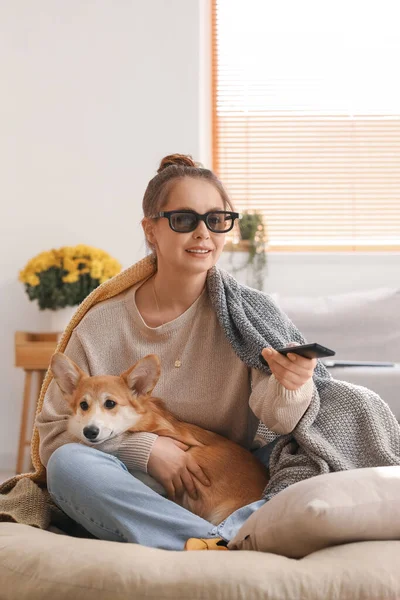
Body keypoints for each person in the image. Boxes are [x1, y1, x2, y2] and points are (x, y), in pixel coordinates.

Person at [37, 154, 317, 551]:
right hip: (132, 478)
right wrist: (145, 449)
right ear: (151, 231)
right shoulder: (101, 325)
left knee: (311, 453)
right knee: (68, 467)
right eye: (184, 220)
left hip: (231, 469)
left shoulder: (252, 317)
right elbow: (51, 438)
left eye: (216, 220)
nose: (203, 233)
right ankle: (223, 539)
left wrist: (294, 385)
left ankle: (194, 538)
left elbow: (283, 422)